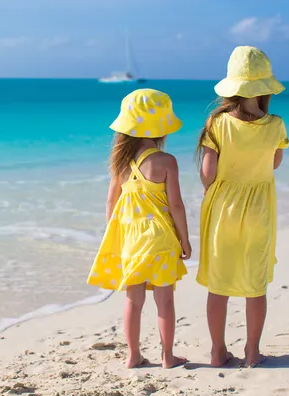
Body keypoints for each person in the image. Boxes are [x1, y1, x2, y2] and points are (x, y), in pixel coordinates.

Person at [196, 46, 289, 367]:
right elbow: (274, 164)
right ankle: (252, 352)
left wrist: (213, 192)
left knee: (218, 285)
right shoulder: (276, 125)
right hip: (259, 209)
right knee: (254, 285)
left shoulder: (217, 123)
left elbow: (207, 174)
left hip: (223, 209)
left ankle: (218, 352)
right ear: (264, 89)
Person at [87, 89, 191, 369]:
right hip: (161, 240)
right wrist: (185, 240)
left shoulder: (121, 164)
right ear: (161, 127)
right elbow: (177, 206)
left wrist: (116, 236)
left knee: (133, 302)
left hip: (132, 241)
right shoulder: (166, 161)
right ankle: (168, 357)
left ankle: (133, 356)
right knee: (165, 302)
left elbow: (111, 202)